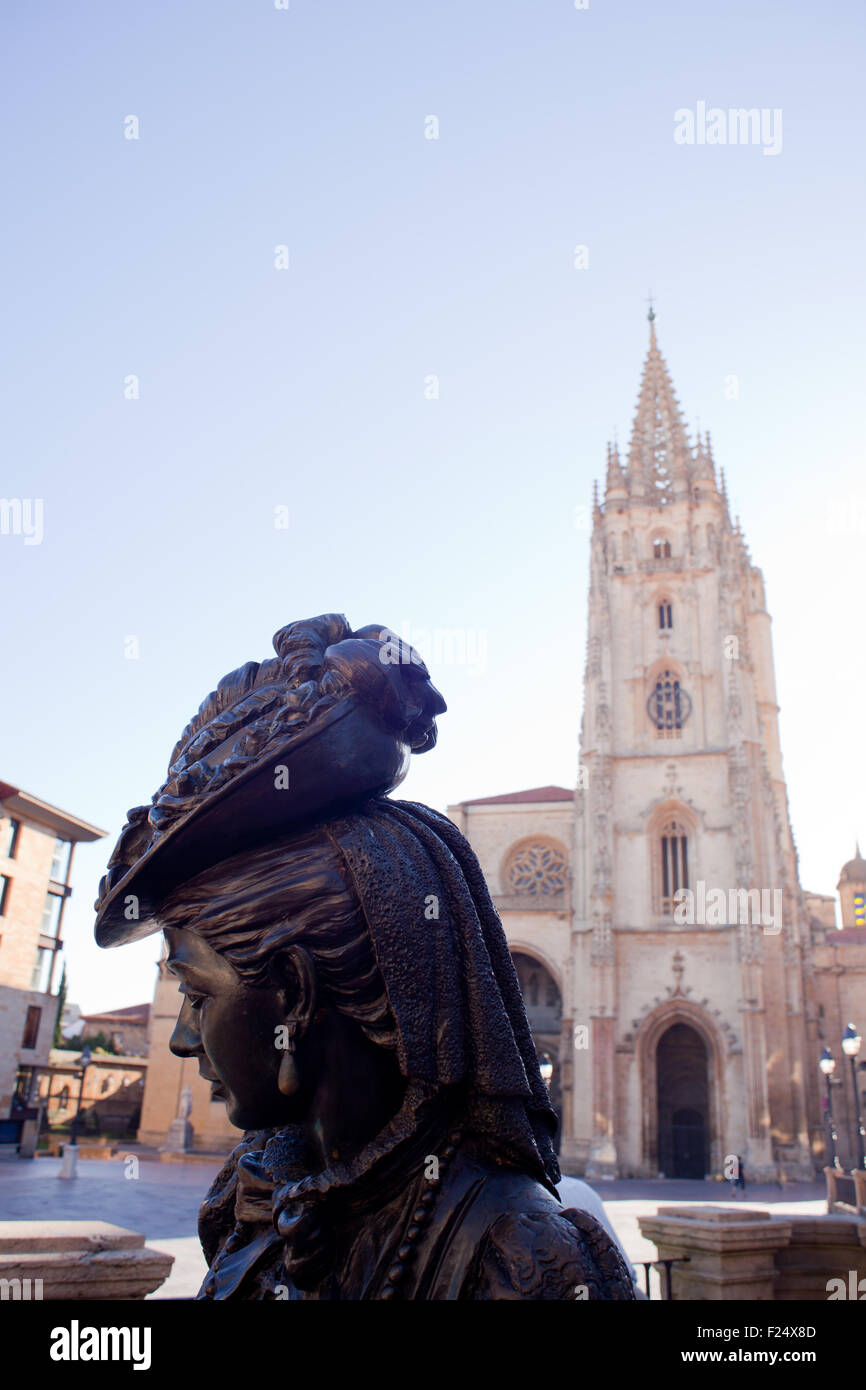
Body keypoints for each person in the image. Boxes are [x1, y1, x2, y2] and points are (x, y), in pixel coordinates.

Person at [95, 614, 635, 1301]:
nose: (179, 1038)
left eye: (198, 996)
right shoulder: (249, 1193)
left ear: (295, 989)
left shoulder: (523, 1264)